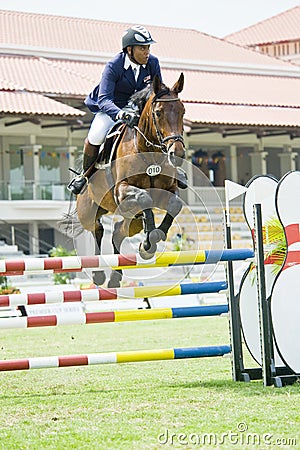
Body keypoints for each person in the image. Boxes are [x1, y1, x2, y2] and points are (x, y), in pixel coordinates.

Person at [68, 25, 162, 195]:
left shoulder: (153, 63)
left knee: (160, 128)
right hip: (113, 108)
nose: (147, 52)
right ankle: (85, 175)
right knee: (95, 135)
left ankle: (170, 167)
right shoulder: (113, 66)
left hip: (138, 108)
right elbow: (104, 99)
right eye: (142, 48)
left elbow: (157, 91)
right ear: (129, 49)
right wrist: (121, 114)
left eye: (148, 47)